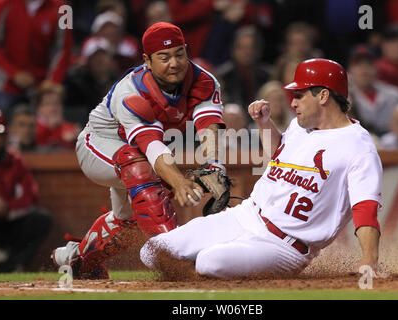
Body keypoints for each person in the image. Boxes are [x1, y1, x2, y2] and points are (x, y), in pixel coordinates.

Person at [140, 58, 383, 279]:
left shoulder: (358, 147)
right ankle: (199, 277)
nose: (293, 102)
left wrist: (369, 260)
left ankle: (200, 277)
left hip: (284, 246)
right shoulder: (300, 127)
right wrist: (264, 123)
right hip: (245, 216)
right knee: (152, 251)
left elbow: (365, 208)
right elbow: (280, 155)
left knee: (209, 261)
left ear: (323, 96)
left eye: (299, 95)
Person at [51, 22, 226, 279]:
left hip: (137, 153)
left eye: (179, 54)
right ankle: (174, 258)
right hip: (98, 142)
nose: (174, 63)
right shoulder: (132, 91)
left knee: (130, 220)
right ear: (147, 60)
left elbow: (210, 127)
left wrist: (215, 166)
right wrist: (177, 181)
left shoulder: (204, 81)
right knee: (145, 173)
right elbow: (152, 145)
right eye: (164, 57)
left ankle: (79, 260)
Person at [0, 107, 52, 272]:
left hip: (8, 222)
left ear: (5, 137)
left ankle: (12, 266)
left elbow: (30, 196)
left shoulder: (15, 161)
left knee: (41, 219)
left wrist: (6, 208)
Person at [0, 0, 73, 112]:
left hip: (43, 86)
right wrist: (14, 73)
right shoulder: (1, 5)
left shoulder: (65, 9)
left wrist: (53, 81)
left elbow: (65, 48)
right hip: (7, 84)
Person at [348, 44, 398, 137]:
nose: (364, 69)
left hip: (392, 145)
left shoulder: (394, 94)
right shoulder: (343, 97)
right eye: (358, 64)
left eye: (369, 64)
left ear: (377, 68)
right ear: (350, 70)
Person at [215, 25, 272, 111]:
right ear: (233, 50)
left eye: (251, 47)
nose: (247, 52)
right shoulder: (222, 76)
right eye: (242, 48)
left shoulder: (268, 76)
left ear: (258, 50)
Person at [35, 83, 80, 151]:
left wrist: (77, 139)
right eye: (47, 104)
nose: (53, 108)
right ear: (39, 108)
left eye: (57, 103)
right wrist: (49, 129)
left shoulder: (71, 128)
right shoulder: (32, 127)